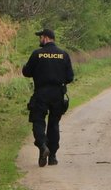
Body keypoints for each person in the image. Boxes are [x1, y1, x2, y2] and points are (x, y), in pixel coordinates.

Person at [22, 28, 74, 167]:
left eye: (40, 37)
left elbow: (26, 72)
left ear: (45, 38)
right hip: (57, 94)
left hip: (41, 93)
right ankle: (52, 157)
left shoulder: (37, 54)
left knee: (38, 121)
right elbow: (70, 77)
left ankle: (42, 146)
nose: (40, 40)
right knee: (54, 124)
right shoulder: (63, 55)